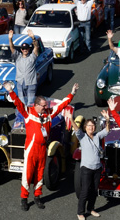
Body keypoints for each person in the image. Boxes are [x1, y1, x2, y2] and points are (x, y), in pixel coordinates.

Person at [7, 81, 78, 210]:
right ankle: (24, 198)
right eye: (43, 106)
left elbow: (62, 105)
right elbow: (18, 103)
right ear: (37, 105)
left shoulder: (49, 114)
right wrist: (11, 91)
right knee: (27, 175)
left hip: (43, 148)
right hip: (31, 149)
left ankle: (37, 197)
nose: (46, 107)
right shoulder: (28, 112)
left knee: (40, 174)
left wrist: (72, 93)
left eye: (46, 105)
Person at [74, 108, 111, 220]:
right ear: (85, 128)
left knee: (94, 191)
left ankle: (91, 209)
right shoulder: (82, 137)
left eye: (93, 125)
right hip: (86, 168)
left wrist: (108, 120)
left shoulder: (97, 136)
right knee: (85, 191)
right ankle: (80, 212)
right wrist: (71, 118)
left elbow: (107, 130)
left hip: (97, 168)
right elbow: (76, 129)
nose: (91, 127)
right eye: (89, 126)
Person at [8, 30, 41, 105]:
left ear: (29, 49)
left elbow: (36, 47)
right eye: (23, 49)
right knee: (21, 102)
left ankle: (30, 116)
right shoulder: (18, 57)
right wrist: (10, 39)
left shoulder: (32, 57)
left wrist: (33, 38)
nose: (25, 50)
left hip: (31, 83)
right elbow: (12, 48)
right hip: (20, 82)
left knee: (30, 102)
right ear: (21, 50)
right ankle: (22, 116)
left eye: (26, 48)